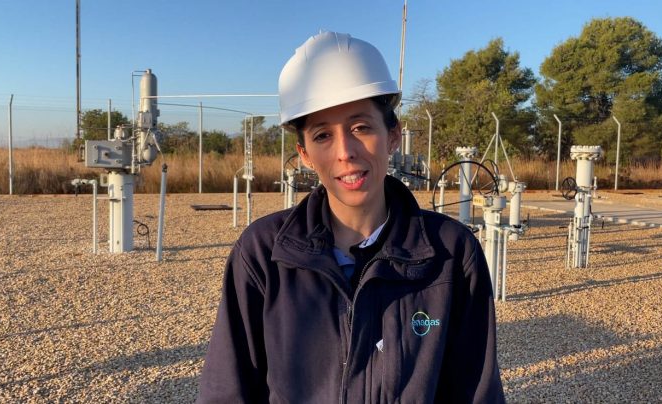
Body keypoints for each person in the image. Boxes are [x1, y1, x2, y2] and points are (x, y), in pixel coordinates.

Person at [197, 31, 505, 403]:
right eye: (323, 135)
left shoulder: (451, 254)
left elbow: (475, 392)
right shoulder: (263, 253)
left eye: (361, 127)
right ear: (305, 153)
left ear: (393, 134)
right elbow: (228, 391)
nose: (345, 152)